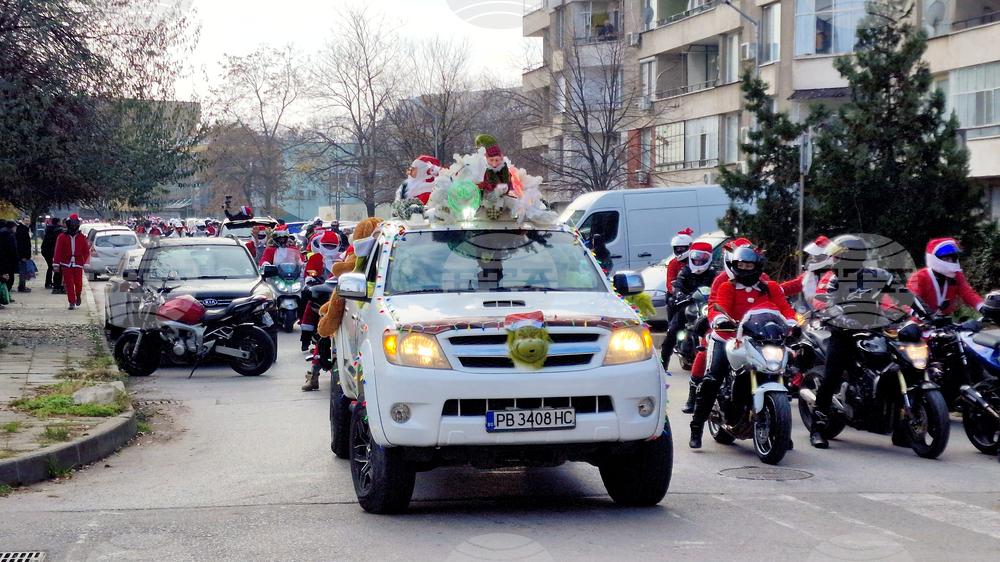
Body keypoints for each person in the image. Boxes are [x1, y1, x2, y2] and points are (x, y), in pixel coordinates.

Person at [808, 235, 919, 449]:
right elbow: (827, 304)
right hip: (843, 333)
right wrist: (844, 320)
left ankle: (901, 427)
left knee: (899, 366)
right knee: (831, 376)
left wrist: (924, 315)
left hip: (875, 331)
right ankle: (817, 428)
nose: (834, 260)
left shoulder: (879, 276)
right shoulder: (835, 279)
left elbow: (905, 297)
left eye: (839, 256)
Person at [689, 245, 795, 449]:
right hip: (727, 338)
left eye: (749, 265)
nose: (745, 269)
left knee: (782, 372)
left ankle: (781, 429)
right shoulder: (727, 287)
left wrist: (792, 323)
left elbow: (785, 309)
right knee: (713, 377)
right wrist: (719, 319)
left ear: (757, 266)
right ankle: (697, 427)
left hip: (761, 340)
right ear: (734, 266)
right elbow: (717, 307)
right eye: (741, 265)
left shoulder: (771, 287)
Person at [662, 241, 717, 411]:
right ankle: (662, 363)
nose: (699, 261)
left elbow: (720, 287)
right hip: (688, 304)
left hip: (708, 306)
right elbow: (678, 282)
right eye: (696, 258)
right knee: (673, 330)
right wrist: (679, 293)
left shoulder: (714, 273)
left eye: (703, 258)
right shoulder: (685, 270)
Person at [906, 237, 984, 316]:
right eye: (946, 259)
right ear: (933, 258)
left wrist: (982, 307)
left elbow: (967, 293)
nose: (950, 262)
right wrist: (917, 313)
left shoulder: (956, 275)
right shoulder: (919, 277)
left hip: (946, 322)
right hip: (921, 323)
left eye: (952, 259)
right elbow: (909, 299)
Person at [780, 236, 834, 302]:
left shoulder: (836, 273)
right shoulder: (812, 273)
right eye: (813, 256)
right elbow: (795, 285)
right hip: (816, 310)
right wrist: (775, 289)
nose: (813, 259)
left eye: (817, 256)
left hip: (836, 308)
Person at [53, 214, 89, 310]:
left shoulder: (81, 237)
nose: (73, 227)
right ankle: (71, 301)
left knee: (78, 283)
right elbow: (58, 251)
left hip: (78, 262)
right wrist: (56, 264)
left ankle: (78, 295)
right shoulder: (62, 237)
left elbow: (86, 251)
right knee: (68, 283)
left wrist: (86, 262)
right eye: (71, 225)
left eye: (75, 225)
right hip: (66, 262)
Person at [667, 228, 694, 297]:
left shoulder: (696, 261)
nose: (679, 250)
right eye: (677, 248)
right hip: (679, 295)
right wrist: (676, 291)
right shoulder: (673, 263)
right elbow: (670, 282)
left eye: (681, 248)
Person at [41, 217, 64, 291]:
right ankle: (51, 282)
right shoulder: (58, 230)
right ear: (58, 222)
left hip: (46, 250)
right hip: (51, 250)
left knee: (50, 266)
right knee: (53, 266)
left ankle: (49, 282)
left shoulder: (49, 229)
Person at [0, 221, 18, 299]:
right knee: (10, 277)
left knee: (3, 277)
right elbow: (13, 249)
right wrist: (16, 258)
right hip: (9, 259)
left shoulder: (1, 233)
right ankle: (6, 295)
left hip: (2, 258)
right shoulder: (11, 235)